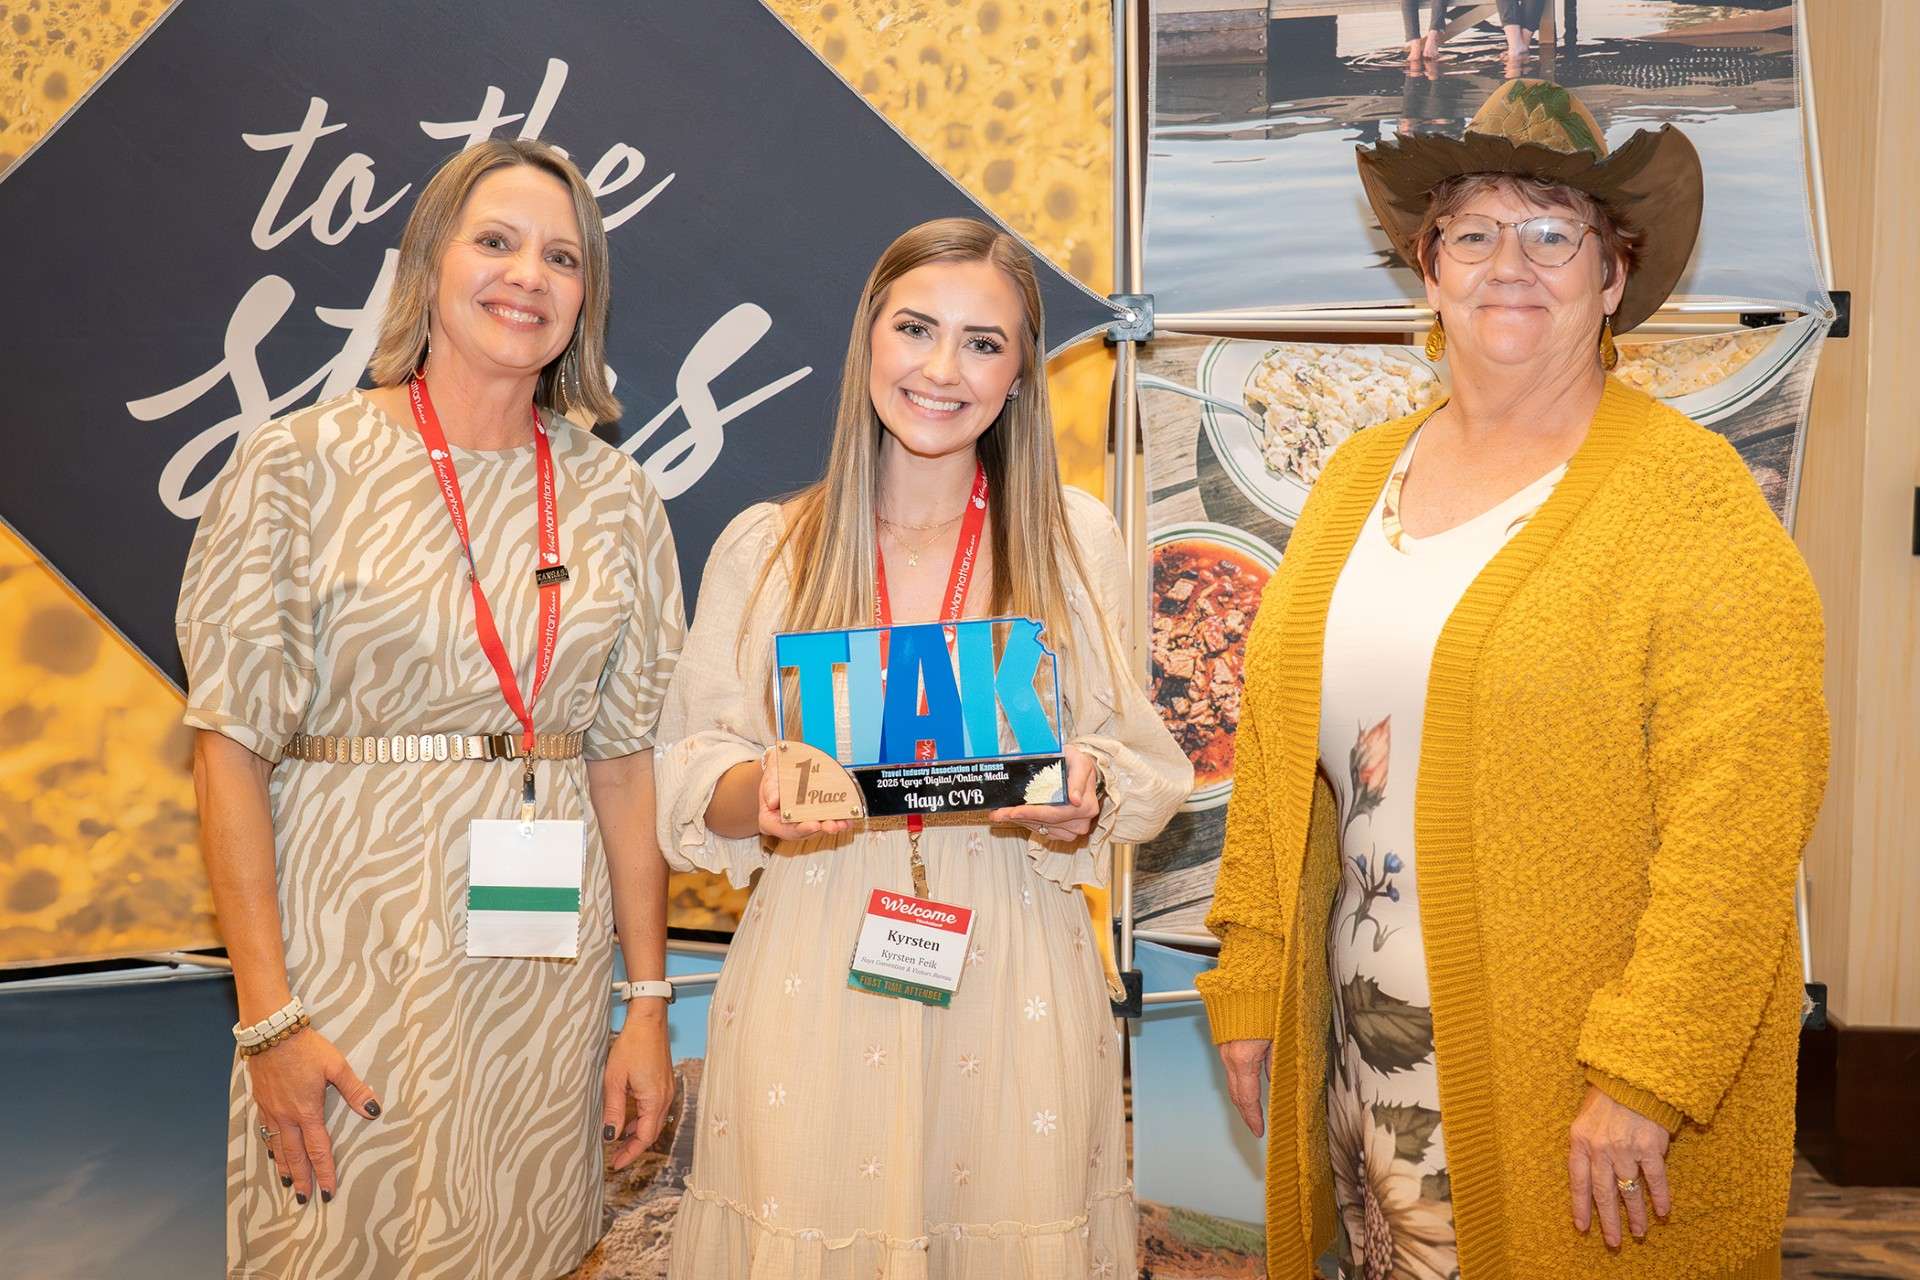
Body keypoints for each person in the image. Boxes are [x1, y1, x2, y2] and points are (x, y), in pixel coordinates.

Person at [1199, 80, 1828, 1278]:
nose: (1510, 264)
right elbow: (1278, 754)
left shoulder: (1691, 502)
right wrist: (1253, 968)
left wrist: (1647, 1069)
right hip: (1373, 1073)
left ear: (1614, 275)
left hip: (1586, 1097)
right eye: (1474, 232)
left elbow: (1744, 819)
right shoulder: (1355, 479)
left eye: (1552, 232)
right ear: (1428, 270)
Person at [180, 138, 685, 1280]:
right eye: (496, 241)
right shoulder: (297, 464)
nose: (528, 275)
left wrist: (648, 1004)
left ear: (586, 298)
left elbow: (624, 764)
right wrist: (269, 1018)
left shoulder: (618, 498)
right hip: (344, 960)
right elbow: (229, 753)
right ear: (429, 263)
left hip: (540, 982)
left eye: (563, 257)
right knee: (338, 1239)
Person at [656, 217, 1191, 1277]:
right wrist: (761, 788)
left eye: (983, 343)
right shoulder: (768, 547)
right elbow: (691, 768)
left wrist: (1086, 786)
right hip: (813, 955)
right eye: (916, 328)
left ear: (1020, 375)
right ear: (869, 338)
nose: (943, 370)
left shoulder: (1073, 539)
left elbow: (1136, 755)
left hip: (1015, 960)